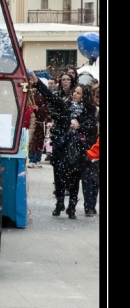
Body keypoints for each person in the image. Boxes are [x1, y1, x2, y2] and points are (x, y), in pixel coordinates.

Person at [28, 72, 97, 219]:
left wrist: (80, 126)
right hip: (62, 147)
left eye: (78, 93)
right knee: (59, 176)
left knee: (74, 178)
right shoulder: (65, 106)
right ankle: (60, 203)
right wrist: (38, 83)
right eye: (74, 92)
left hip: (78, 150)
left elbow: (92, 128)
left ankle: (72, 207)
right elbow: (51, 97)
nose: (74, 95)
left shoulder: (89, 110)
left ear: (83, 96)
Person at [81, 84, 100, 216]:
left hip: (97, 150)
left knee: (96, 180)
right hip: (88, 147)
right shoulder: (88, 110)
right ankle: (89, 205)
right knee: (88, 179)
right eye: (97, 96)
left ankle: (92, 204)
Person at [27, 83, 49, 168]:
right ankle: (32, 159)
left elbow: (48, 108)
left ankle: (37, 159)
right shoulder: (29, 94)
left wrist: (39, 109)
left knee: (40, 141)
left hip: (41, 121)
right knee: (32, 140)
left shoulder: (43, 94)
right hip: (32, 120)